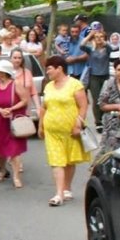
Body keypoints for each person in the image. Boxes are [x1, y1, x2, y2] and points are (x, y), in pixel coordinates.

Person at [38, 55, 90, 207]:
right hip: (52, 130)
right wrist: (40, 126)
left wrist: (78, 124)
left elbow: (83, 105)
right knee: (56, 161)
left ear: (59, 68)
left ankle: (67, 188)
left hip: (70, 130)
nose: (47, 72)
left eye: (49, 69)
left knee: (69, 160)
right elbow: (44, 107)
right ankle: (59, 193)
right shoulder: (48, 86)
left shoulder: (75, 84)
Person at [0, 60, 29, 188]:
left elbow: (25, 100)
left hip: (13, 120)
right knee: (0, 147)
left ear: (3, 73)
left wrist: (11, 109)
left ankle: (16, 176)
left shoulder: (16, 84)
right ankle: (2, 169)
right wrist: (0, 110)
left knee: (14, 149)